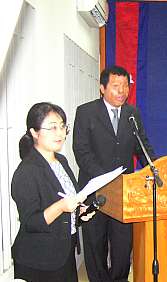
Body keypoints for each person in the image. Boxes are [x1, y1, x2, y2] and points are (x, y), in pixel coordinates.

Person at [73, 65, 156, 282]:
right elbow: (81, 151)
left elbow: (142, 146)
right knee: (95, 244)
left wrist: (155, 166)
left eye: (125, 86)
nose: (122, 91)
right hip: (95, 190)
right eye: (116, 86)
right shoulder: (85, 112)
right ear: (102, 88)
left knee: (122, 245)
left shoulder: (132, 113)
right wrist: (105, 179)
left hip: (124, 192)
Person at [11, 102, 95, 282]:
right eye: (52, 127)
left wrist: (79, 211)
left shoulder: (62, 161)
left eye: (63, 126)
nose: (60, 133)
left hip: (64, 250)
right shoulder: (26, 171)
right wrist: (62, 206)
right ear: (34, 132)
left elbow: (67, 201)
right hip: (39, 258)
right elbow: (31, 222)